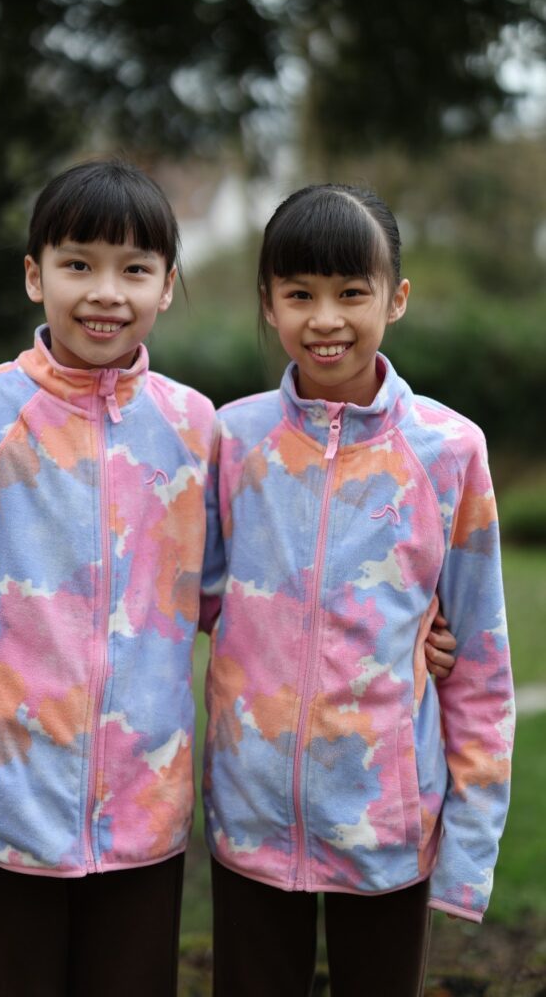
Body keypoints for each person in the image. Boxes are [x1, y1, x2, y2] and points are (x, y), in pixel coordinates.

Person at [0, 159, 219, 997]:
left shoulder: (194, 426)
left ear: (167, 286)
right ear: (36, 276)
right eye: (79, 264)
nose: (105, 292)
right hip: (12, 808)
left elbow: (238, 600)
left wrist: (413, 634)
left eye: (134, 269)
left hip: (148, 808)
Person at [200, 184, 514, 997]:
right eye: (299, 294)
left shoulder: (449, 451)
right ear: (267, 302)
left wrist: (470, 848)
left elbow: (482, 663)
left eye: (350, 292)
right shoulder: (231, 439)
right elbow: (184, 596)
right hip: (251, 816)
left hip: (387, 825)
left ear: (395, 298)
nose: (325, 318)